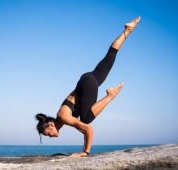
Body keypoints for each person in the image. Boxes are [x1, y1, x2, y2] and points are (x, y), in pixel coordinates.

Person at [35, 17, 141, 157]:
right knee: (110, 57)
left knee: (86, 119)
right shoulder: (62, 119)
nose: (50, 137)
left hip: (87, 85)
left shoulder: (63, 117)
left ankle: (110, 95)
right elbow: (83, 130)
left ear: (50, 126)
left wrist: (85, 152)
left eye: (47, 135)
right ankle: (127, 31)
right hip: (87, 79)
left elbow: (88, 129)